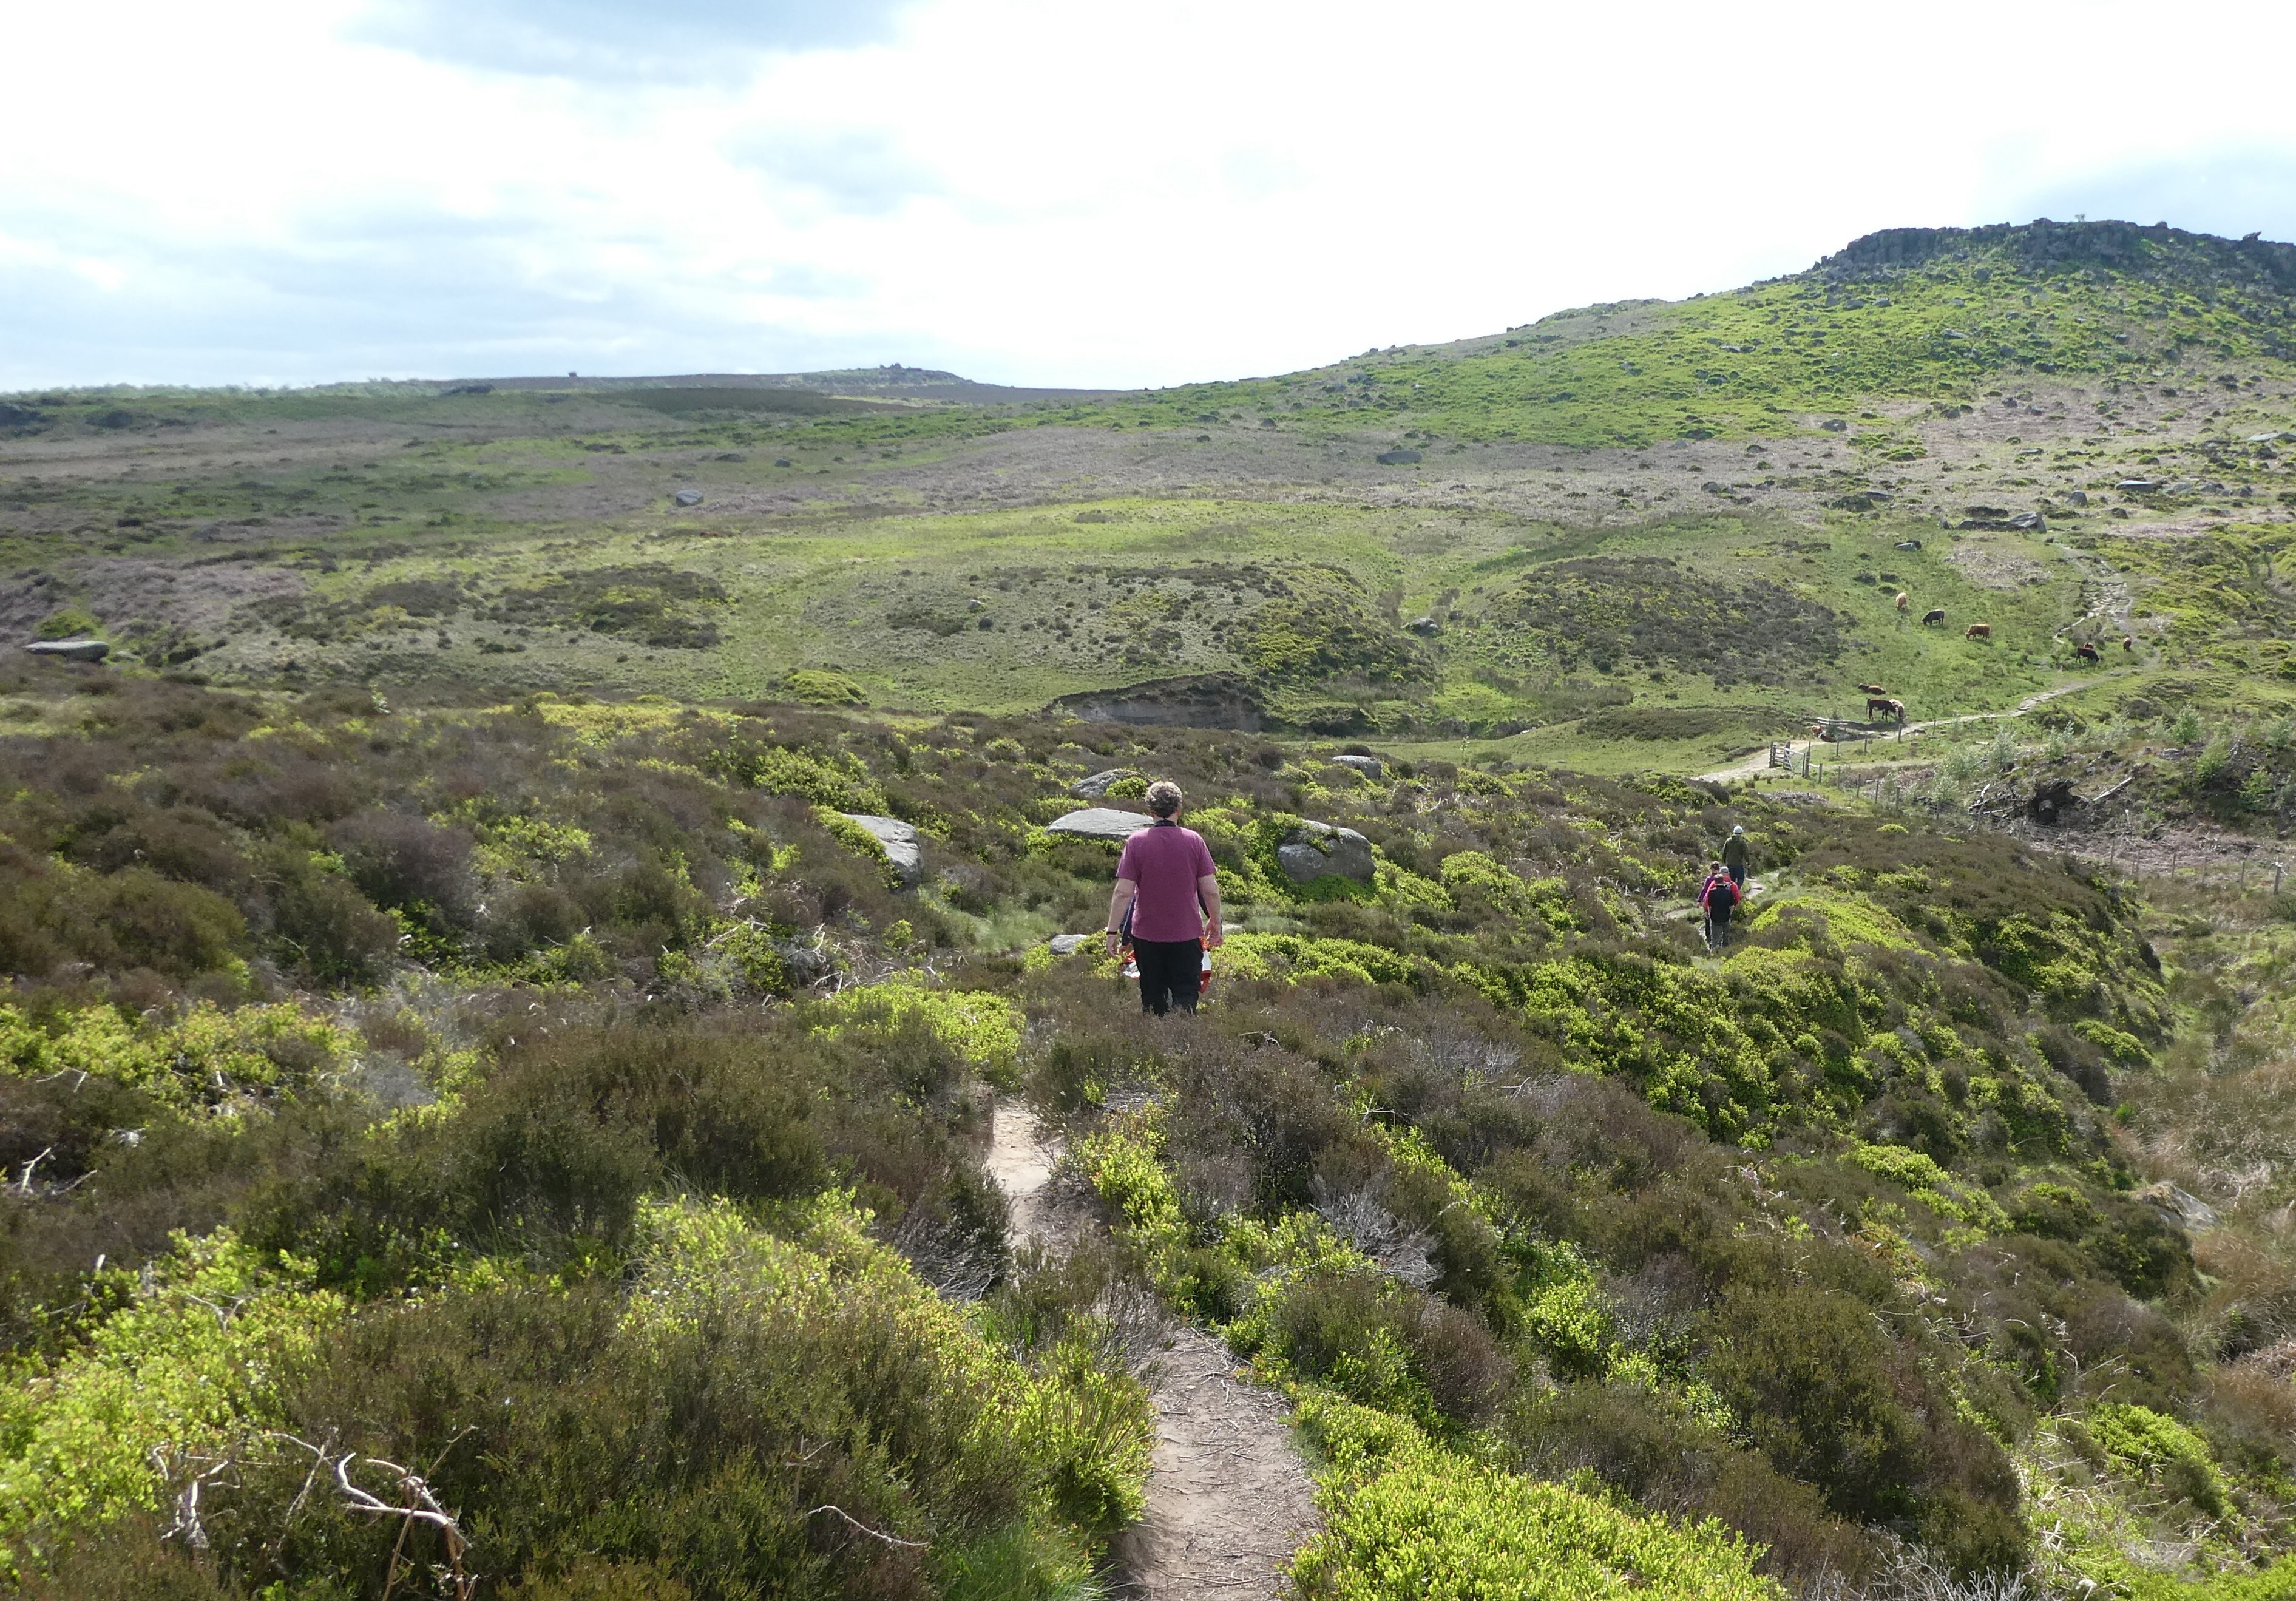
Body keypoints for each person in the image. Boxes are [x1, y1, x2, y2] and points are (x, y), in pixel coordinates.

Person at [1105, 780, 1224, 1015]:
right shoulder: (1194, 841)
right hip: (1187, 934)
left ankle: (1156, 1044)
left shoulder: (1136, 843)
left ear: (1151, 812)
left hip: (1147, 936)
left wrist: (1112, 932)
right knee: (1186, 994)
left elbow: (1123, 892)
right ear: (1179, 810)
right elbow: (1210, 890)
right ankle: (1183, 1042)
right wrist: (1215, 921)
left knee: (1152, 996)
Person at [1700, 861, 1740, 951]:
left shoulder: (1712, 889)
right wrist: (1730, 913)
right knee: (1726, 936)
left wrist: (1708, 913)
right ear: (1728, 874)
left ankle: (1714, 951)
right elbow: (1736, 900)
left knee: (1715, 936)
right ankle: (1725, 951)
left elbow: (1707, 901)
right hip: (1726, 916)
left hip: (1714, 917)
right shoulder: (1732, 887)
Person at [1722, 825, 1750, 892]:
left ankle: (1730, 892)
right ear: (1741, 833)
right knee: (1741, 878)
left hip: (1729, 864)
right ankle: (1736, 890)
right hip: (1738, 864)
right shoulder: (1742, 842)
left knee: (1731, 879)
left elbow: (1724, 852)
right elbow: (1746, 853)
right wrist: (1748, 862)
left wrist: (1724, 861)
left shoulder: (1728, 841)